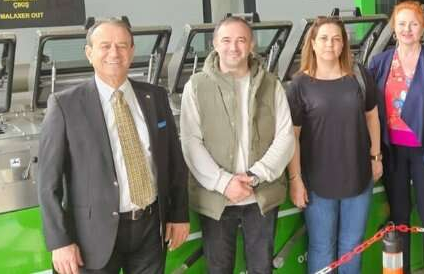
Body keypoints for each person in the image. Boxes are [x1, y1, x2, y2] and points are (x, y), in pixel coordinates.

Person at [38, 18, 189, 274]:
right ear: (89, 53)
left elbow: (174, 162)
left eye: (121, 46)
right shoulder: (65, 105)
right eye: (105, 46)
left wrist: (178, 214)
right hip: (91, 236)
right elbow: (47, 182)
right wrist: (60, 242)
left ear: (132, 51)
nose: (114, 53)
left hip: (150, 229)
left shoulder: (155, 96)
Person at [179, 16, 294, 274]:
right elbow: (190, 141)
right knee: (219, 269)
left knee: (261, 268)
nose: (234, 47)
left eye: (241, 40)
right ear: (215, 44)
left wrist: (255, 176)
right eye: (226, 40)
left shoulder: (271, 84)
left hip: (261, 195)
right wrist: (224, 183)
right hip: (216, 199)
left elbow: (285, 137)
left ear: (251, 44)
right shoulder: (196, 86)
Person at [286, 16, 382, 274]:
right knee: (321, 247)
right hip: (317, 182)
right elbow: (292, 136)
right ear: (313, 43)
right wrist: (295, 179)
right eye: (324, 38)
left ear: (343, 44)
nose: (330, 44)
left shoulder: (359, 76)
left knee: (352, 245)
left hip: (358, 175)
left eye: (336, 39)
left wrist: (376, 157)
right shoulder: (299, 85)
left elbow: (372, 116)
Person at [368, 0, 424, 274]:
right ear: (393, 28)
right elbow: (370, 110)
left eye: (414, 24)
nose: (407, 29)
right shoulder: (379, 63)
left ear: (423, 28)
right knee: (399, 217)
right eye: (402, 24)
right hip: (392, 151)